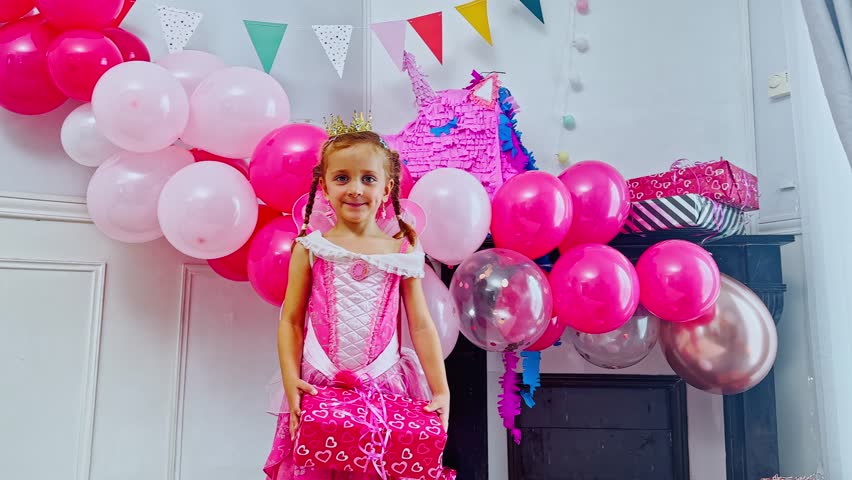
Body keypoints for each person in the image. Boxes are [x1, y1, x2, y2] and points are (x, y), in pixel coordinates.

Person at [264, 130, 451, 480]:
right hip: (319, 382)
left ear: (386, 189)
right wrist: (291, 381)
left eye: (368, 178)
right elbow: (290, 321)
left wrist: (441, 390)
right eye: (342, 178)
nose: (355, 189)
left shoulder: (403, 250)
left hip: (384, 385)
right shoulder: (311, 247)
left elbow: (421, 324)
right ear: (324, 187)